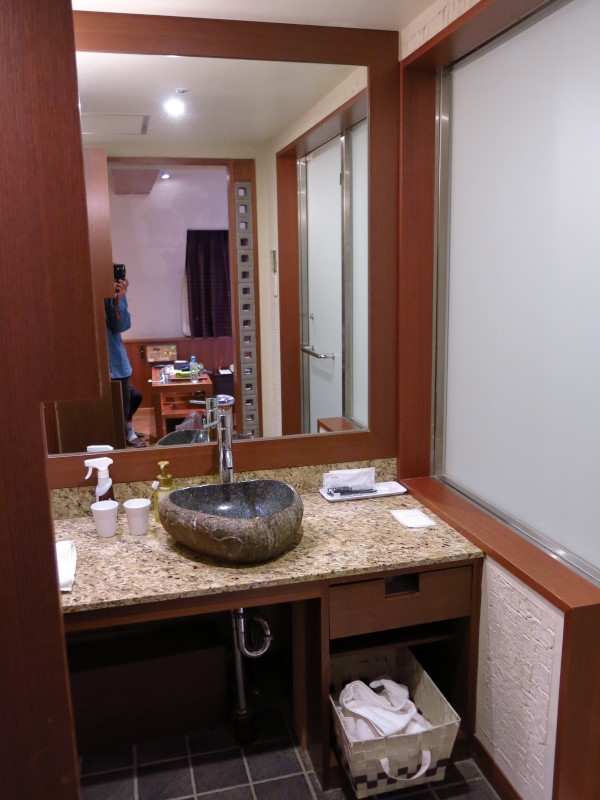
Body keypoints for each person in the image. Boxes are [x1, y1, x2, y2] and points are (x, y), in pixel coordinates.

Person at [104, 268, 146, 448]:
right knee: (117, 404)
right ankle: (122, 433)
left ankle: (126, 431)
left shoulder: (112, 294)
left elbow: (122, 325)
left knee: (129, 399)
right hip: (101, 360)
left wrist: (119, 300)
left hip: (115, 358)